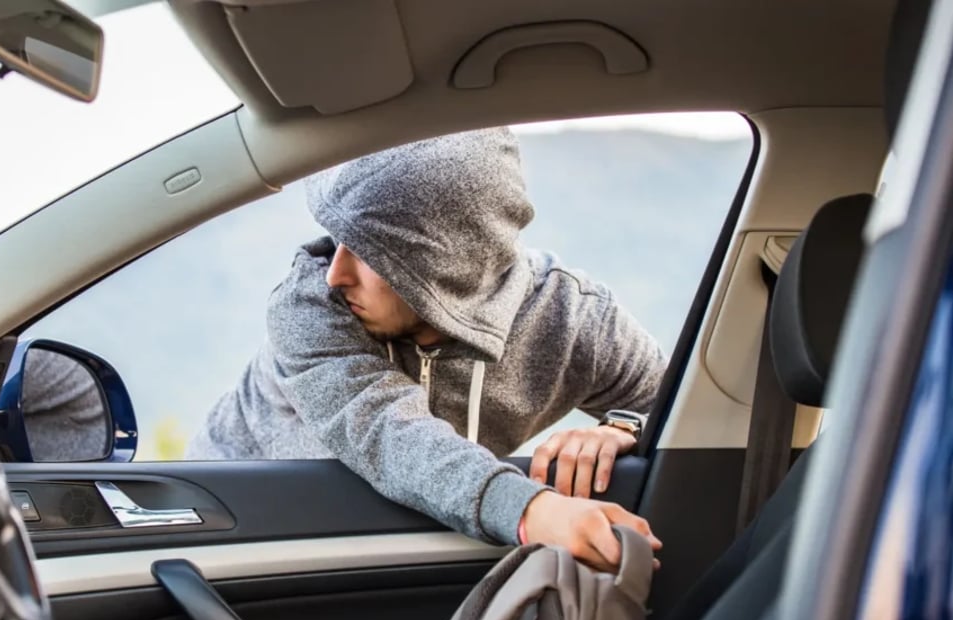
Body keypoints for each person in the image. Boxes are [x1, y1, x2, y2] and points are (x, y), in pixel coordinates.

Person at [188, 128, 668, 571]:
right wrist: (531, 510)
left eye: (368, 252)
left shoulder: (571, 317)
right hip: (234, 539)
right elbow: (388, 432)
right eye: (337, 239)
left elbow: (696, 407)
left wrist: (626, 427)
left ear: (444, 262)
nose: (337, 274)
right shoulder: (310, 306)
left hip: (408, 551)